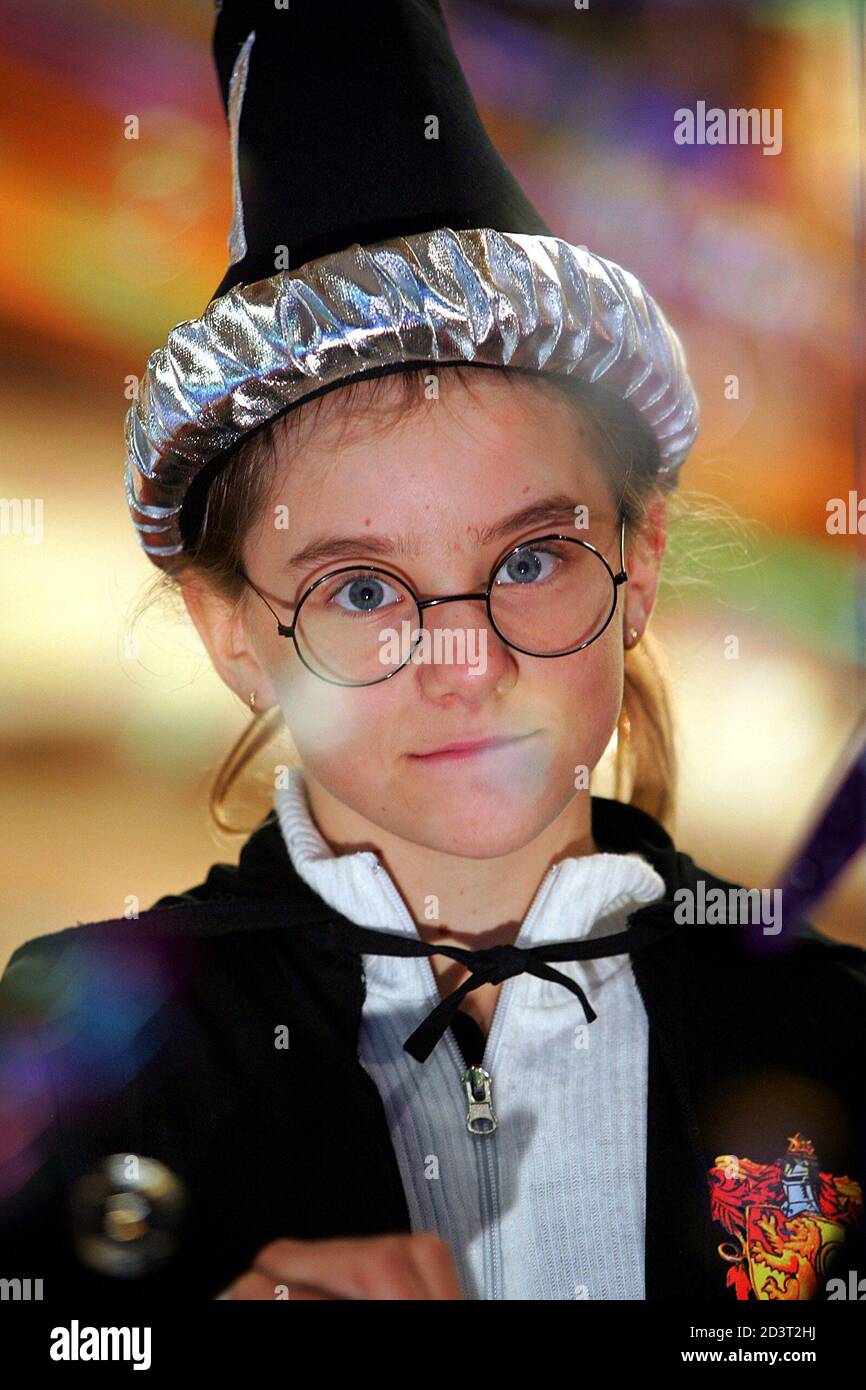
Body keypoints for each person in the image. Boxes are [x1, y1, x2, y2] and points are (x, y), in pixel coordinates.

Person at [1, 0, 863, 1303]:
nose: (463, 660)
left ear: (634, 566)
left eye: (527, 558)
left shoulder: (830, 1034)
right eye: (360, 587)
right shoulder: (97, 1051)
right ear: (233, 633)